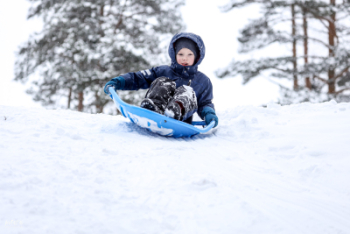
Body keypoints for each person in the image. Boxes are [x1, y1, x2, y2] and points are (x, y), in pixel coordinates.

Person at [104, 32, 218, 127]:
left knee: (188, 91)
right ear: (174, 54)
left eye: (190, 54)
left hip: (180, 121)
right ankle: (153, 108)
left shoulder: (203, 81)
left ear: (197, 57)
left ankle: (174, 111)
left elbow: (205, 103)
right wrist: (118, 82)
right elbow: (140, 77)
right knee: (163, 81)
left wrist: (209, 114)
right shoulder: (163, 71)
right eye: (181, 54)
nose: (185, 58)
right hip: (155, 114)